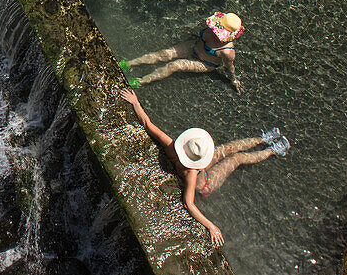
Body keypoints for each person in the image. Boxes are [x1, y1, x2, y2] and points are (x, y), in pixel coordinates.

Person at [120, 89, 289, 246]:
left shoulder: (170, 146)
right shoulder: (192, 174)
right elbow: (189, 203)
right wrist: (211, 226)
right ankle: (271, 151)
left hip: (192, 165)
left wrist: (135, 103)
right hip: (204, 182)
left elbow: (147, 124)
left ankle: (262, 140)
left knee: (227, 149)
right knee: (237, 158)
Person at [124, 12, 246, 94]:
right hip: (193, 46)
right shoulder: (211, 28)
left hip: (205, 62)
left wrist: (233, 80)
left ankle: (141, 81)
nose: (214, 30)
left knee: (175, 65)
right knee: (165, 53)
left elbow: (229, 67)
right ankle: (129, 63)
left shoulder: (227, 51)